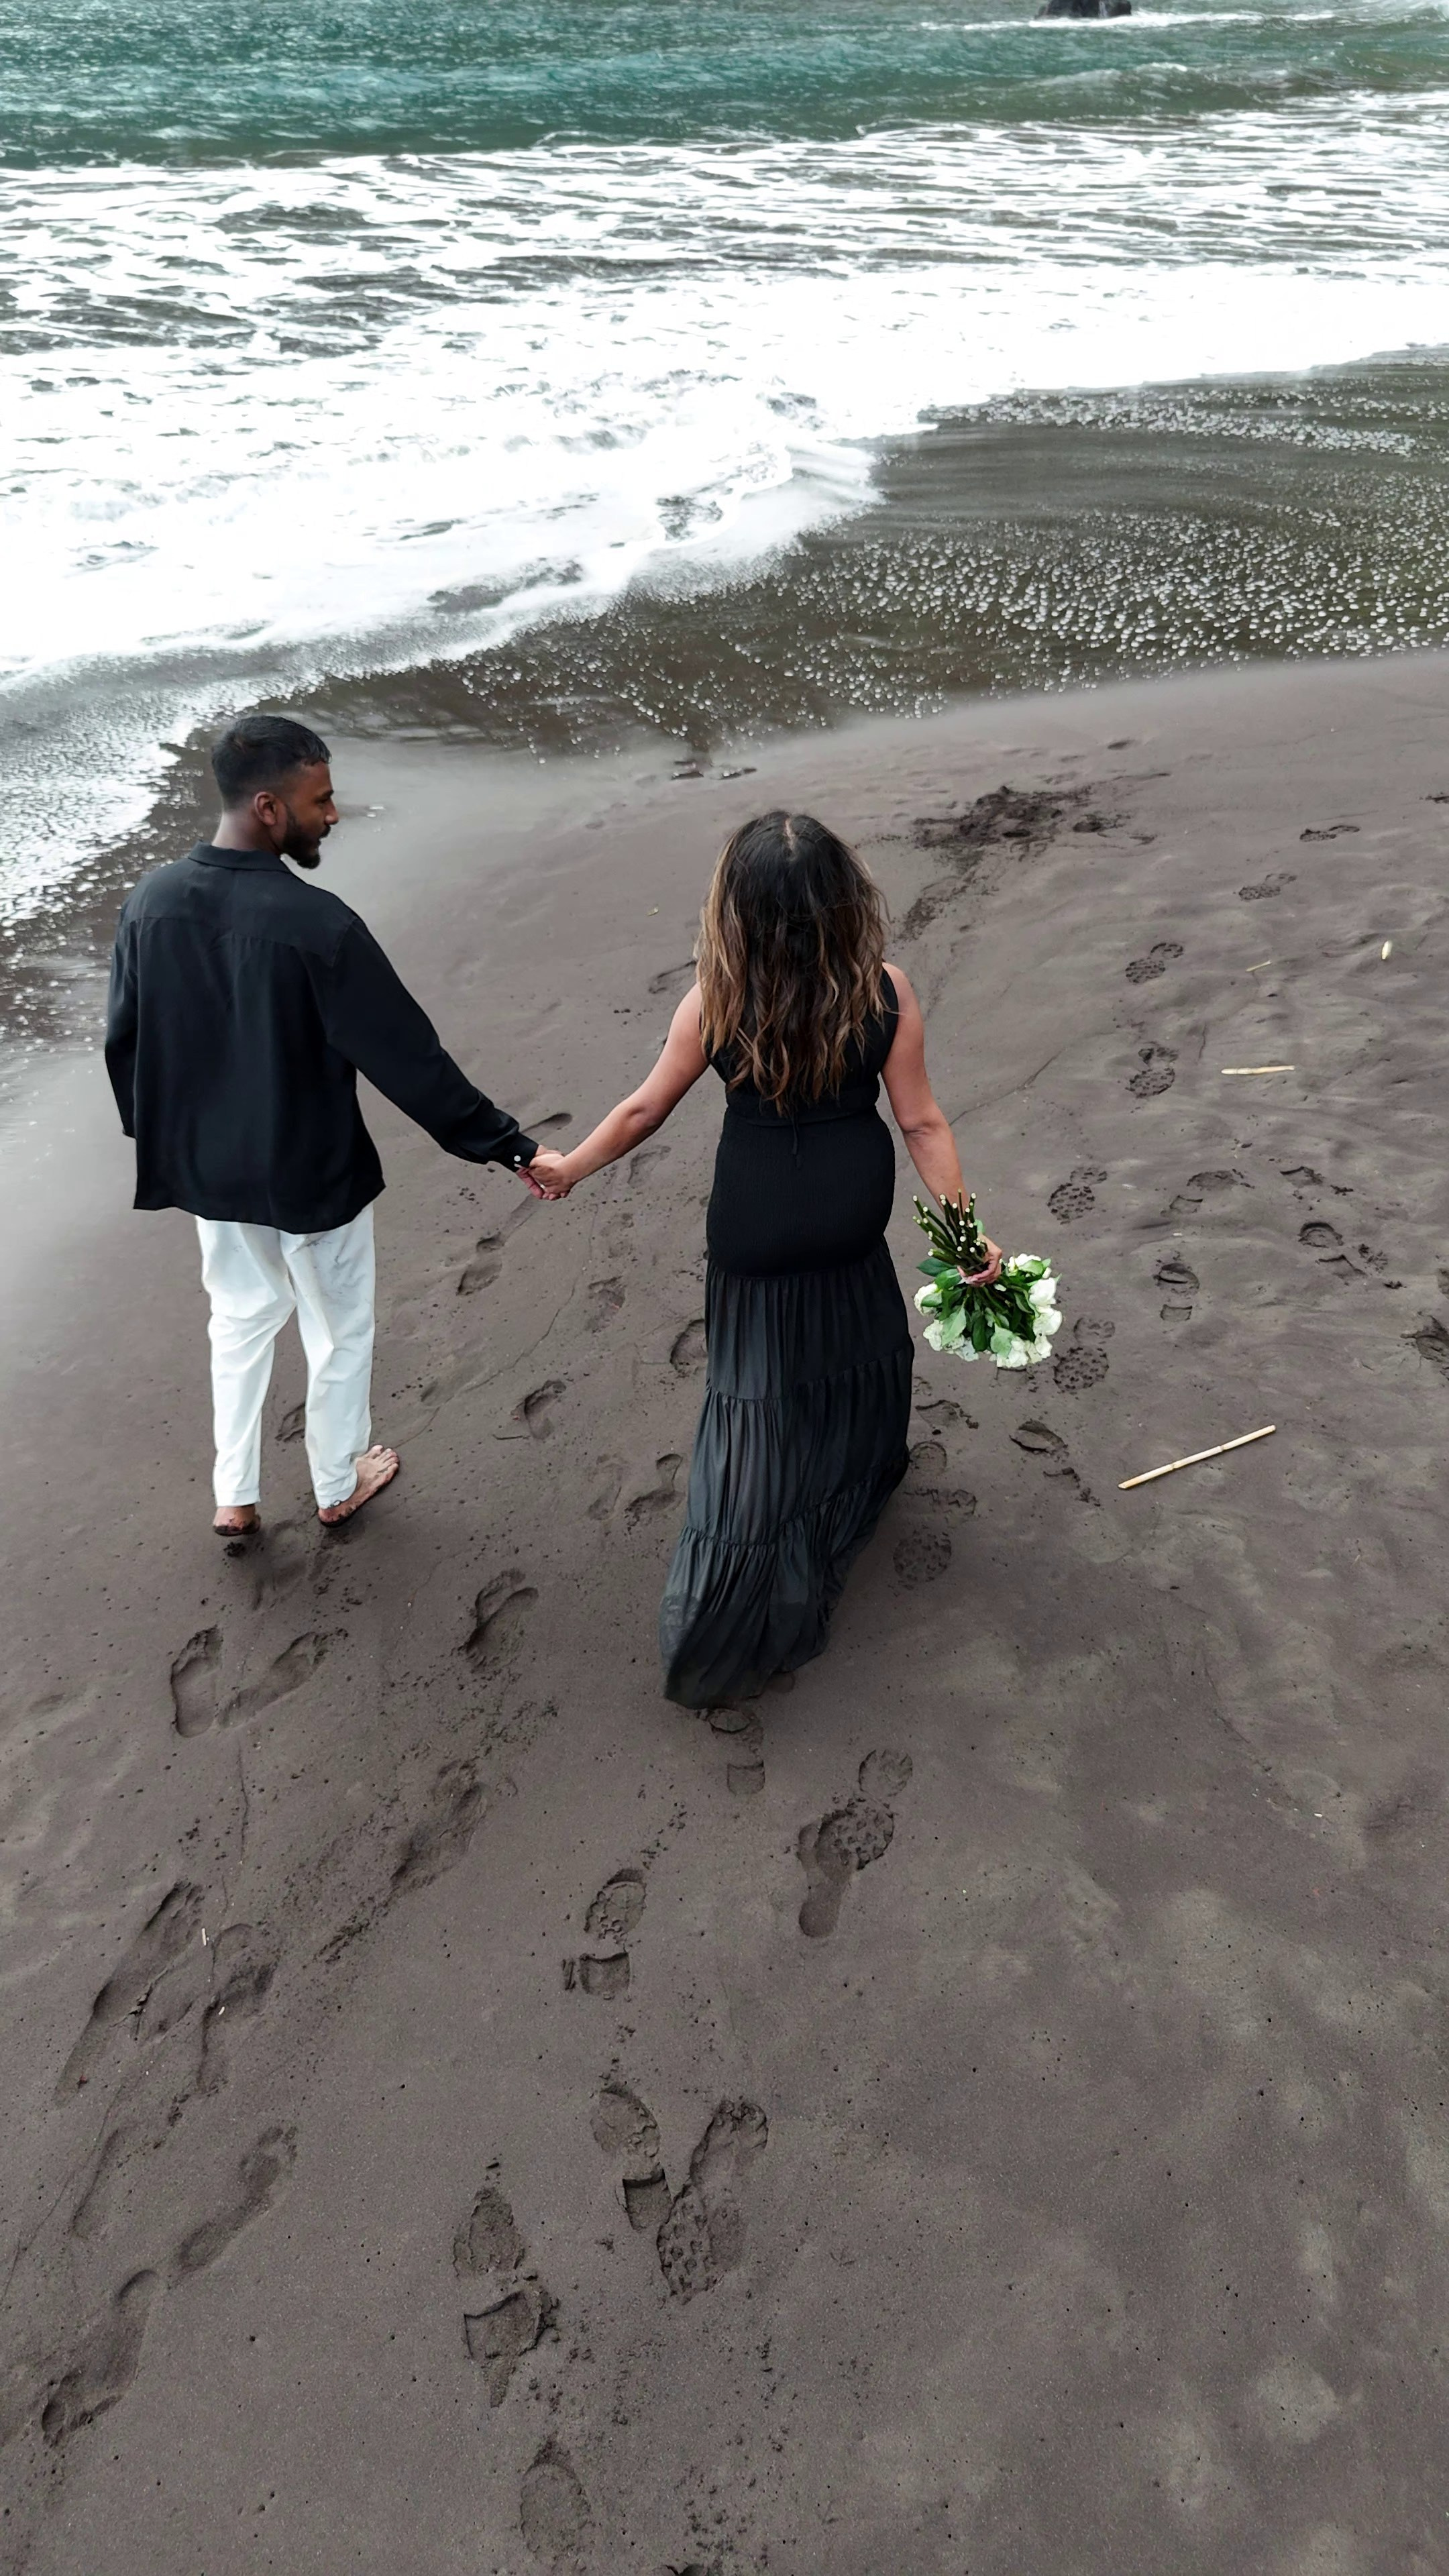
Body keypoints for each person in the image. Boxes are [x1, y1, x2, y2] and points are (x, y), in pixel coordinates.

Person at [529, 810, 1002, 1707]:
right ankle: (854, 1479)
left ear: (735, 913)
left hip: (755, 1228)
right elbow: (922, 1122)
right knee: (860, 1353)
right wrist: (968, 1233)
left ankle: (722, 1617)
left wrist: (570, 1168)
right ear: (843, 902)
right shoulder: (885, 992)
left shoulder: (716, 1000)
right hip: (851, 1220)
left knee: (755, 1402)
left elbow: (642, 1111)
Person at [105, 714, 540, 1536]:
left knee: (237, 1320)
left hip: (212, 1174)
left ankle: (234, 1494)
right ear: (269, 807)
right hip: (312, 1173)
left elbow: (123, 1042)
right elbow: (410, 1060)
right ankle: (337, 1482)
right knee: (338, 1329)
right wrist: (507, 1144)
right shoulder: (318, 926)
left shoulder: (150, 904)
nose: (333, 815)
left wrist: (168, 1139)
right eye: (322, 799)